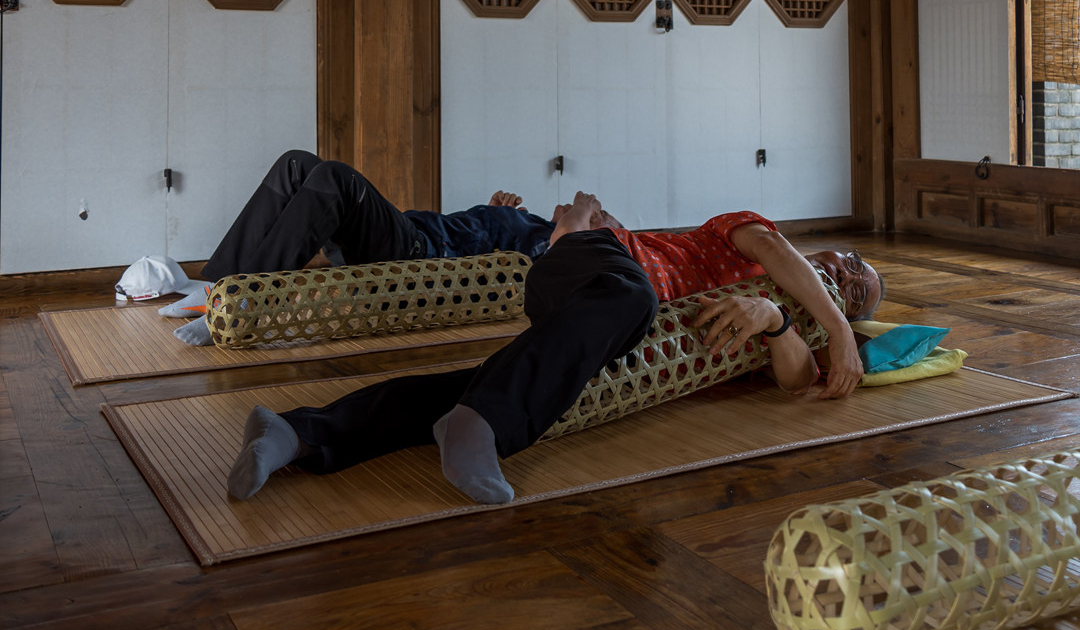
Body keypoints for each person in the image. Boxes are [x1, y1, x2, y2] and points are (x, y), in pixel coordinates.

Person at [226, 192, 884, 506]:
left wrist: (777, 321)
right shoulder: (749, 240)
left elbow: (794, 381)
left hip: (605, 341)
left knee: (475, 389)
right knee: (632, 296)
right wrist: (837, 326)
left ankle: (296, 433)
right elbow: (772, 248)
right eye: (854, 264)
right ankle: (486, 423)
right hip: (595, 267)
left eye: (860, 294)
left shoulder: (792, 315)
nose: (849, 279)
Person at [161, 150, 555, 346]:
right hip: (415, 234)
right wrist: (492, 211)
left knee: (338, 177)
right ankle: (218, 287)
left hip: (419, 259)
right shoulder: (534, 225)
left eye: (585, 210)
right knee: (296, 164)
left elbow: (563, 246)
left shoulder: (561, 238)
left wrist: (584, 212)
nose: (575, 204)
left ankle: (245, 304)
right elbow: (476, 240)